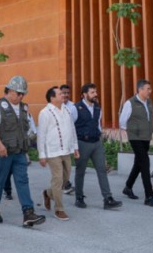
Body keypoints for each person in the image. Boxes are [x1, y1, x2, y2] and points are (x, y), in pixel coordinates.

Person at [0, 75, 45, 228]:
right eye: (19, 93)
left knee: (22, 181)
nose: (21, 96)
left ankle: (28, 213)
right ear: (10, 90)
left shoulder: (24, 107)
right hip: (3, 152)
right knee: (0, 181)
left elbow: (28, 128)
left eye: (23, 94)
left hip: (19, 152)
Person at [73, 83, 122, 210]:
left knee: (102, 170)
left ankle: (108, 198)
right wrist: (74, 146)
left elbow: (98, 125)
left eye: (95, 92)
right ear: (84, 94)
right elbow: (70, 127)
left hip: (96, 143)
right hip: (82, 143)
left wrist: (101, 139)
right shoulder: (76, 108)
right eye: (92, 92)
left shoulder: (97, 107)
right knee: (80, 171)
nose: (95, 94)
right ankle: (79, 197)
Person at [37, 86, 79, 221]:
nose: (63, 95)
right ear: (52, 98)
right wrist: (42, 154)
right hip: (53, 151)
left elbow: (72, 129)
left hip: (66, 150)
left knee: (65, 178)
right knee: (58, 179)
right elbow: (41, 135)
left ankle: (48, 193)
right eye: (60, 94)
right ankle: (59, 209)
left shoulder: (66, 109)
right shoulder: (45, 112)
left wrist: (75, 147)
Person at [120, 79, 153, 207]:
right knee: (145, 162)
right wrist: (133, 131)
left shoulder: (149, 102)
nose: (150, 91)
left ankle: (128, 187)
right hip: (135, 137)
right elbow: (122, 121)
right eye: (148, 89)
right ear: (140, 89)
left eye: (150, 89)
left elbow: (151, 117)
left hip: (146, 137)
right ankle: (149, 196)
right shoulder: (130, 103)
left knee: (139, 163)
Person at [59, 84, 78, 194]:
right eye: (64, 93)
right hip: (57, 139)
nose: (66, 95)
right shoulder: (55, 105)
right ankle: (65, 184)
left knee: (66, 163)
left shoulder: (73, 106)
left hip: (68, 138)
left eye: (67, 93)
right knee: (60, 163)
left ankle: (65, 183)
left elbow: (73, 122)